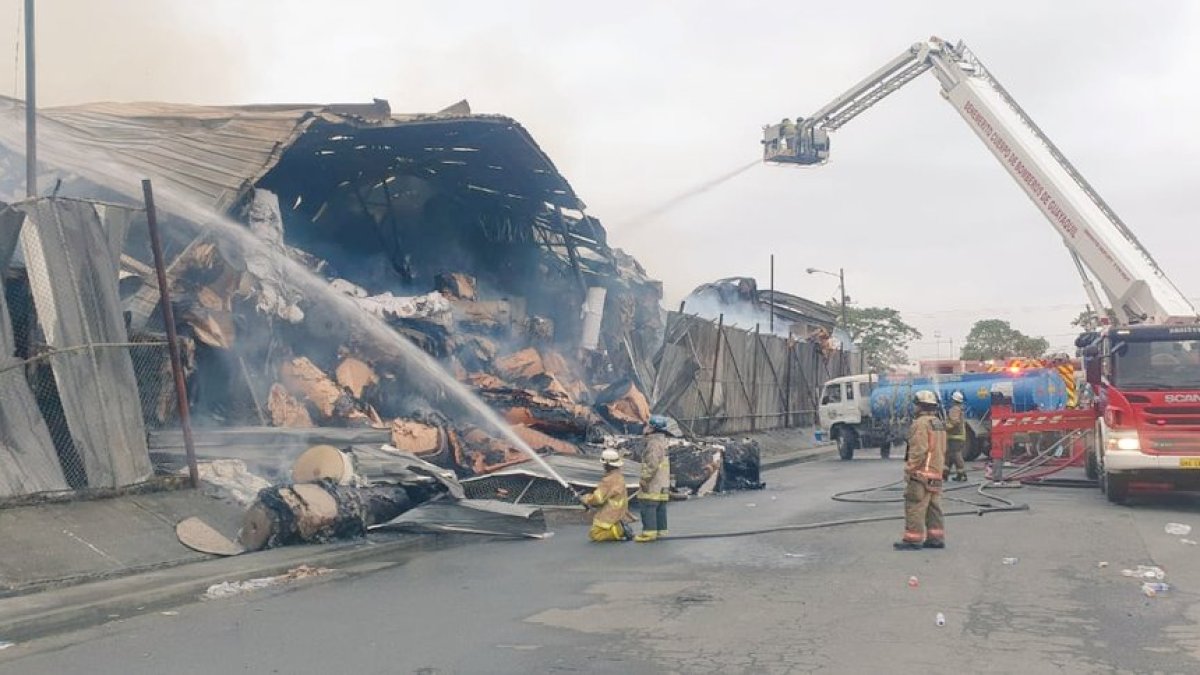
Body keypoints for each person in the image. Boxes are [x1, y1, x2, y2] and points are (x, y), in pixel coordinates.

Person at [895, 390, 947, 551]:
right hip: (936, 472)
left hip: (921, 474)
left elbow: (919, 449)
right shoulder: (938, 423)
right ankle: (935, 538)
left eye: (916, 405)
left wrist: (910, 469)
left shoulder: (920, 424)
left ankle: (913, 539)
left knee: (914, 505)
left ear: (920, 406)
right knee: (933, 507)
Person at [635, 415, 673, 543]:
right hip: (663, 482)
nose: (645, 428)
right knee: (660, 507)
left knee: (648, 505)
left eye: (648, 425)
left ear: (652, 428)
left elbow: (652, 464)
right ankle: (660, 530)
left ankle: (649, 533)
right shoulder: (662, 441)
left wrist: (645, 479)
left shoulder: (653, 443)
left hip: (654, 481)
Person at [580, 450, 632, 542]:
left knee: (595, 534)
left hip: (609, 512)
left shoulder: (608, 480)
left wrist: (586, 498)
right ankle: (619, 527)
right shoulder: (618, 476)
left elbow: (598, 499)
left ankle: (620, 530)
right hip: (619, 511)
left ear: (606, 465)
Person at [944, 391, 968, 482]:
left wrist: (946, 427)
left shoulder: (955, 409)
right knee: (949, 455)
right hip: (957, 436)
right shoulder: (960, 408)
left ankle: (961, 474)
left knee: (956, 454)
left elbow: (955, 421)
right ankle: (945, 474)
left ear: (953, 400)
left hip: (955, 436)